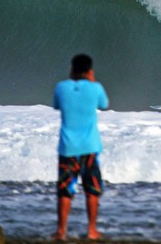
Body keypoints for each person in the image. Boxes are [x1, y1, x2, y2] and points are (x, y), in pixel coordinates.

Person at [53, 54, 109, 242]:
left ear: (72, 69)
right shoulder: (96, 88)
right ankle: (92, 230)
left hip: (68, 148)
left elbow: (57, 105)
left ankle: (61, 231)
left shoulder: (61, 87)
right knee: (91, 190)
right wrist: (92, 83)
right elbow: (104, 105)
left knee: (64, 190)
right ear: (90, 71)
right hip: (90, 147)